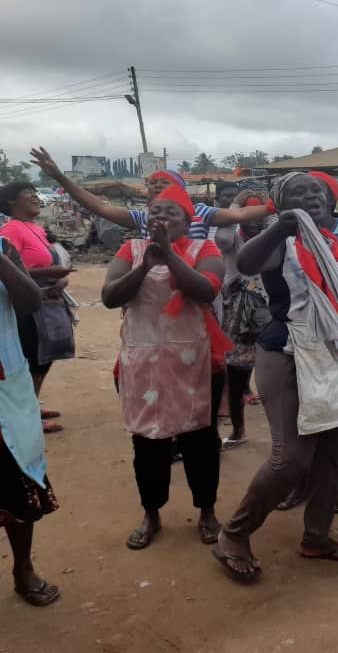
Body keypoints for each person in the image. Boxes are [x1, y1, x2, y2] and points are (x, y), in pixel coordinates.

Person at [214, 171, 338, 582]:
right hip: (286, 356)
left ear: (330, 201)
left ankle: (316, 537)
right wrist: (276, 229)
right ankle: (234, 533)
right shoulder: (281, 244)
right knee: (291, 460)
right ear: (281, 207)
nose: (308, 198)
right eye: (296, 194)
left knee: (334, 454)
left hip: (333, 358)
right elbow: (247, 263)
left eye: (316, 191)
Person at [102, 184, 226, 550]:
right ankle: (151, 513)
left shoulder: (206, 249)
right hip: (144, 363)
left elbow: (206, 290)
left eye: (171, 212)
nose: (161, 216)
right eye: (155, 210)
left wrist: (170, 258)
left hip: (194, 364)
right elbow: (110, 297)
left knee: (200, 441)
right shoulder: (131, 249)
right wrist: (145, 264)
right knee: (148, 443)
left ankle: (207, 511)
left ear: (188, 221)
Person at [29, 148, 271, 240]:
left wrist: (277, 205)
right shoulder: (144, 217)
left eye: (164, 183)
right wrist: (60, 177)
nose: (156, 186)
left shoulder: (200, 212)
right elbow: (100, 208)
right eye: (153, 183)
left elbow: (243, 214)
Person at [0, 236, 60, 606]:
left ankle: (22, 568)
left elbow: (29, 302)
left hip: (6, 388)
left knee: (17, 484)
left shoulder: (4, 247)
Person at [0, 181, 75, 434]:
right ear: (11, 201)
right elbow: (11, 270)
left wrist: (59, 277)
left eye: (35, 191)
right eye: (27, 193)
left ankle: (33, 402)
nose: (34, 195)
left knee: (45, 356)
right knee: (33, 357)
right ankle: (29, 414)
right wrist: (51, 271)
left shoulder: (34, 228)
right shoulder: (12, 229)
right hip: (29, 304)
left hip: (48, 298)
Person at [214, 195, 268, 449]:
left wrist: (270, 206)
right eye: (249, 216)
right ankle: (238, 430)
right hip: (237, 316)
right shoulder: (233, 241)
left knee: (275, 377)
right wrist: (236, 207)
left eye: (259, 217)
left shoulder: (273, 241)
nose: (254, 222)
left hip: (269, 314)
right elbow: (222, 237)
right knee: (236, 376)